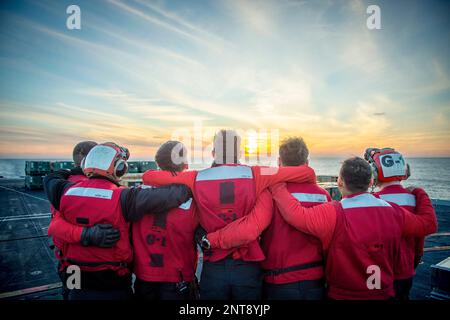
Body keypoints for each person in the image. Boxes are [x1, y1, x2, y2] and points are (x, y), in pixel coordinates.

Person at [142, 130, 316, 300]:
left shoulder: (196, 177)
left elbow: (150, 177)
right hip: (247, 265)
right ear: (239, 153)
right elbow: (306, 173)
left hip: (213, 265)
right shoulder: (257, 173)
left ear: (213, 153)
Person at [269, 157, 437, 300]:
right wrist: (418, 192)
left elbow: (296, 215)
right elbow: (428, 224)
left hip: (342, 295)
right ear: (371, 181)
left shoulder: (333, 212)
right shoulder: (394, 211)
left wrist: (276, 185)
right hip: (382, 293)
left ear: (340, 181)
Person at [44, 142, 192, 300]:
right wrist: (191, 184)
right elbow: (174, 194)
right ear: (119, 168)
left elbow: (50, 179)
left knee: (74, 295)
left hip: (74, 272)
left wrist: (84, 234)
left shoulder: (64, 191)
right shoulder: (123, 198)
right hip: (111, 277)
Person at [365, 147, 423, 300]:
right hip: (406, 271)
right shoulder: (414, 199)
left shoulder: (372, 201)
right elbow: (419, 241)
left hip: (377, 271)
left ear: (375, 173)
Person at [49, 140, 98, 299]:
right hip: (100, 261)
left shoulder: (63, 183)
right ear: (85, 155)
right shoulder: (97, 183)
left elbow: (57, 223)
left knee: (72, 292)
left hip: (72, 261)